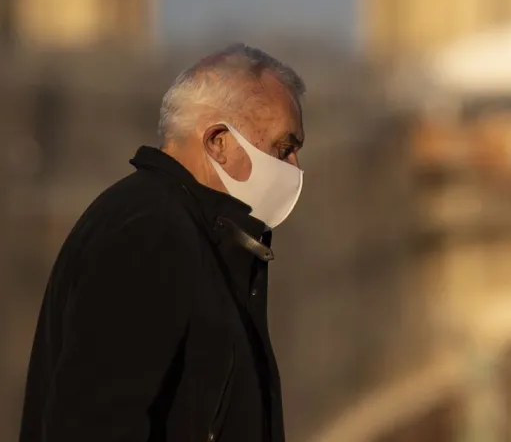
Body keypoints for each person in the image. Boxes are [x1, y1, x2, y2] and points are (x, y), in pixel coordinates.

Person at [20, 43, 307, 442]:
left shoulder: (206, 239)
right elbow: (94, 423)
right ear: (219, 141)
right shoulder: (148, 232)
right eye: (284, 148)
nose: (294, 167)